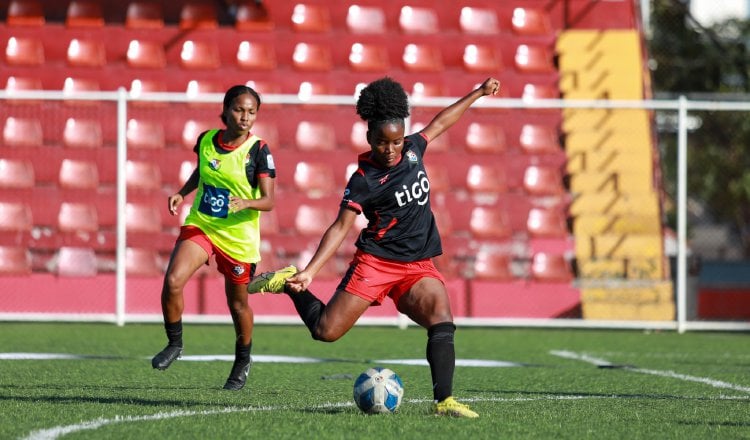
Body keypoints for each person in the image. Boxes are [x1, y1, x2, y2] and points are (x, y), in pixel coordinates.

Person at [248, 77, 501, 416]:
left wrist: (479, 93)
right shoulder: (364, 180)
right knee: (325, 331)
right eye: (383, 142)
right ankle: (289, 283)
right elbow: (340, 227)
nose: (391, 149)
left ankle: (444, 402)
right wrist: (309, 272)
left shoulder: (413, 148)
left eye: (396, 141)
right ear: (369, 138)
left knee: (442, 320)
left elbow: (442, 121)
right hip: (377, 263)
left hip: (418, 264)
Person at [152, 84, 277, 391]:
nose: (245, 117)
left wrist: (247, 203)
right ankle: (175, 343)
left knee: (237, 306)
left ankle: (242, 360)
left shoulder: (259, 150)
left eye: (251, 112)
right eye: (239, 110)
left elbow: (269, 200)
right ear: (225, 111)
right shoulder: (206, 140)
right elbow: (203, 172)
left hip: (238, 237)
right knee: (173, 281)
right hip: (203, 224)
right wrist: (182, 193)